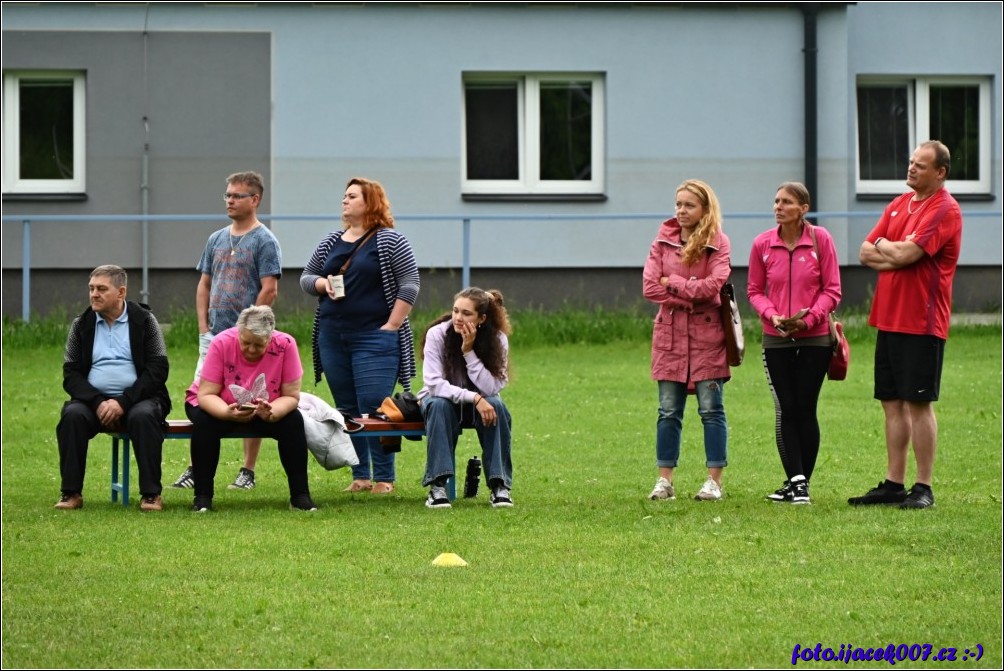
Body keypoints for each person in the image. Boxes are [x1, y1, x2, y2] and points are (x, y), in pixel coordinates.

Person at [849, 140, 962, 510]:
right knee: (891, 402)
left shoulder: (945, 209)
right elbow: (865, 252)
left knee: (918, 404)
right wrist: (892, 249)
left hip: (922, 322)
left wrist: (889, 246)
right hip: (889, 318)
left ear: (940, 172)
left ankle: (923, 486)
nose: (911, 168)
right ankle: (894, 483)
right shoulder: (898, 204)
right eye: (911, 162)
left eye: (921, 165)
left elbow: (907, 253)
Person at [300, 177, 420, 495]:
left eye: (352, 196)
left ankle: (385, 477)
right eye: (344, 196)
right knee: (347, 409)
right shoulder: (331, 240)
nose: (345, 201)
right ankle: (360, 475)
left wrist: (392, 326)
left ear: (370, 203)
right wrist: (322, 285)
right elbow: (306, 277)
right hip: (332, 336)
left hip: (374, 337)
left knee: (377, 408)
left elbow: (410, 283)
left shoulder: (390, 240)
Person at [171, 171, 281, 491]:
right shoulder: (216, 239)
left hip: (247, 340)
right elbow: (204, 283)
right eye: (227, 195)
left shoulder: (265, 240)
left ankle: (247, 471)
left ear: (255, 200)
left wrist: (247, 330)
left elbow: (269, 289)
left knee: (251, 397)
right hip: (213, 337)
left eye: (237, 196)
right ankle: (196, 466)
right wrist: (204, 327)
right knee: (202, 399)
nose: (230, 201)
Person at [747, 182, 842, 505]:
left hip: (814, 337)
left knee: (805, 406)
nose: (778, 207)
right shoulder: (762, 244)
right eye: (776, 201)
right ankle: (799, 484)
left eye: (786, 202)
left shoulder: (821, 240)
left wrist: (808, 319)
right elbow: (754, 291)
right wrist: (772, 316)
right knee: (786, 407)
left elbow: (832, 290)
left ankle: (799, 484)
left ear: (803, 208)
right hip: (776, 339)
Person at [642, 179, 732, 502]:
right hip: (669, 336)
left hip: (708, 338)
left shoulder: (718, 242)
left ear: (705, 209)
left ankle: (714, 481)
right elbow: (650, 287)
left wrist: (674, 282)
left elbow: (713, 287)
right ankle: (664, 481)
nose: (681, 210)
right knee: (668, 410)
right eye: (678, 204)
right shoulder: (662, 241)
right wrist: (688, 291)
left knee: (711, 409)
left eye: (688, 205)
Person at [55, 265, 171, 511]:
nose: (94, 294)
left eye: (101, 289)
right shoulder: (81, 324)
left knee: (143, 416)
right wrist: (98, 402)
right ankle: (71, 493)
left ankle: (151, 494)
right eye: (91, 289)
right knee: (72, 415)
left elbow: (158, 369)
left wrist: (123, 402)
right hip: (93, 402)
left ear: (121, 292)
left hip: (139, 399)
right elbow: (71, 374)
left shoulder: (145, 321)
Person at [184, 305, 316, 512]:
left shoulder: (286, 345)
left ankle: (300, 496)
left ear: (270, 338)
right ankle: (202, 498)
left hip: (265, 407)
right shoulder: (221, 343)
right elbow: (206, 394)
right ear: (239, 333)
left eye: (259, 345)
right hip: (218, 403)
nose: (252, 350)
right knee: (205, 423)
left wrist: (272, 412)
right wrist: (226, 413)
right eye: (246, 343)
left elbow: (291, 396)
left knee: (293, 422)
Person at [419, 287, 514, 509]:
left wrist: (469, 352)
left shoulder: (497, 339)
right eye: (455, 311)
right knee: (439, 405)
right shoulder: (438, 335)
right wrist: (474, 398)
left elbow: (492, 387)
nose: (458, 318)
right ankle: (438, 487)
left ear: (482, 318)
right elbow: (434, 384)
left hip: (480, 405)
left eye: (467, 313)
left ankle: (500, 487)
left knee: (497, 405)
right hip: (443, 403)